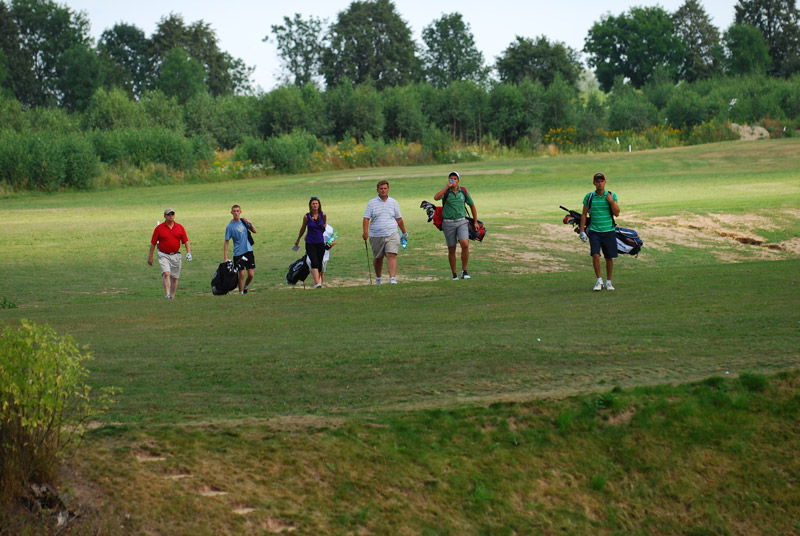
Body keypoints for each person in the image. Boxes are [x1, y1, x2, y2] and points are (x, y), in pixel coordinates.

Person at [433, 171, 478, 280]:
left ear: (458, 180)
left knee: (465, 244)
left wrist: (475, 221)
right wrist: (447, 187)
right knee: (452, 248)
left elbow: (472, 205)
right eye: (451, 178)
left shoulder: (463, 191)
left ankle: (464, 271)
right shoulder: (446, 192)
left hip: (462, 221)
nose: (453, 180)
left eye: (455, 178)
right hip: (448, 223)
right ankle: (454, 274)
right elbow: (436, 197)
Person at [579, 172, 620, 291]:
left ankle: (609, 282)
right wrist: (582, 231)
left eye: (602, 181)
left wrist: (611, 201)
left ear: (605, 182)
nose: (600, 184)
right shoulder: (589, 197)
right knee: (595, 255)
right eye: (597, 182)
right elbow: (584, 214)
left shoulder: (612, 195)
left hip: (609, 231)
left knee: (609, 257)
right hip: (594, 231)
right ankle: (599, 281)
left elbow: (617, 213)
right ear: (594, 183)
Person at [362, 180, 407, 285]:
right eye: (381, 188)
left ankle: (392, 278)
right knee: (378, 258)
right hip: (376, 235)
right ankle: (378, 278)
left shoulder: (393, 202)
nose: (383, 190)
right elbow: (366, 218)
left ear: (388, 189)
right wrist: (365, 232)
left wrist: (404, 232)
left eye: (385, 188)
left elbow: (399, 219)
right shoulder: (372, 203)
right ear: (377, 190)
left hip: (392, 233)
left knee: (391, 254)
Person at [147, 208, 192, 299]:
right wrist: (150, 257)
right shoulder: (159, 229)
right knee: (166, 273)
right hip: (163, 254)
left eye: (172, 214)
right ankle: (167, 294)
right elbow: (153, 244)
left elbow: (186, 241)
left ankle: (172, 296)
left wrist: (189, 252)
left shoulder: (179, 227)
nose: (171, 216)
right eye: (168, 214)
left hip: (176, 255)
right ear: (165, 216)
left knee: (174, 277)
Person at [294, 196, 328, 289]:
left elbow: (324, 224)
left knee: (320, 262)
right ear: (310, 205)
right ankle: (317, 283)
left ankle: (319, 282)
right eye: (313, 204)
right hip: (310, 242)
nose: (315, 205)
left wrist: (322, 230)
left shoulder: (323, 215)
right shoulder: (307, 216)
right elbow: (303, 228)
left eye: (316, 203)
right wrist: (298, 239)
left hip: (320, 242)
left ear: (319, 205)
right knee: (314, 261)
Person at [223, 204, 258, 294]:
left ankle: (245, 286)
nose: (236, 213)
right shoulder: (229, 227)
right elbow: (226, 241)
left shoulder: (243, 222)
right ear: (231, 213)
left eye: (237, 211)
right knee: (241, 274)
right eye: (234, 211)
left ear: (240, 212)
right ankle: (241, 293)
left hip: (248, 251)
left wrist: (249, 222)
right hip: (238, 253)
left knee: (251, 274)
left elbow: (255, 231)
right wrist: (225, 257)